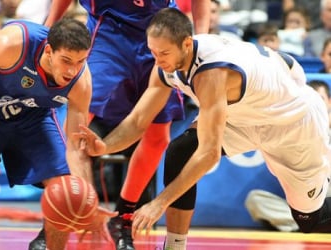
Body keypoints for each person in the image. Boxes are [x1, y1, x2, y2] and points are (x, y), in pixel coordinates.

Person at [77, 8, 331, 250]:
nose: (158, 60)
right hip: (244, 116)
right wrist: (106, 145)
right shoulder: (167, 65)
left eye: (163, 53)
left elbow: (209, 155)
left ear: (187, 44)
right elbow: (138, 120)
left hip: (291, 124)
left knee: (309, 221)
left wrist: (159, 203)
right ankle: (175, 245)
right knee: (181, 150)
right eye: (153, 52)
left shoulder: (212, 72)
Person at [29, 1, 211, 250]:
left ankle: (123, 219)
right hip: (109, 32)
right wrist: (49, 25)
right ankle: (57, 219)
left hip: (160, 33)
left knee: (158, 137)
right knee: (79, 126)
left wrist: (202, 36)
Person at [0, 18, 116, 250]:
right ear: (49, 51)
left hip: (32, 118)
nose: (72, 70)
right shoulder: (12, 43)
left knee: (66, 193)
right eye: (66, 60)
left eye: (80, 61)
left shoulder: (82, 82)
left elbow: (75, 144)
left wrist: (86, 198)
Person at [245, 79, 331, 232]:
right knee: (255, 200)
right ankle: (307, 224)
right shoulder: (294, 134)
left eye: (321, 99)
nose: (316, 106)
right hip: (307, 204)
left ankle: (307, 225)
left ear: (329, 102)